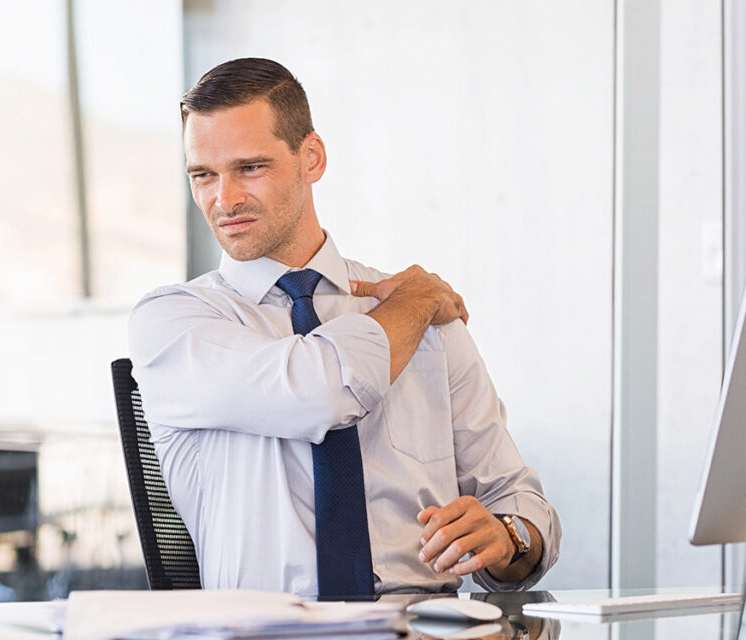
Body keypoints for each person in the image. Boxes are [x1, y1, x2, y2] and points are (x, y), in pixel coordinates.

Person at [128, 58, 561, 597]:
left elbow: (518, 501)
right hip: (263, 634)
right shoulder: (173, 320)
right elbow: (321, 390)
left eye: (251, 168)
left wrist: (509, 539)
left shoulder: (426, 318)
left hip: (424, 627)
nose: (225, 199)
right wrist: (418, 301)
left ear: (311, 158)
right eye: (203, 175)